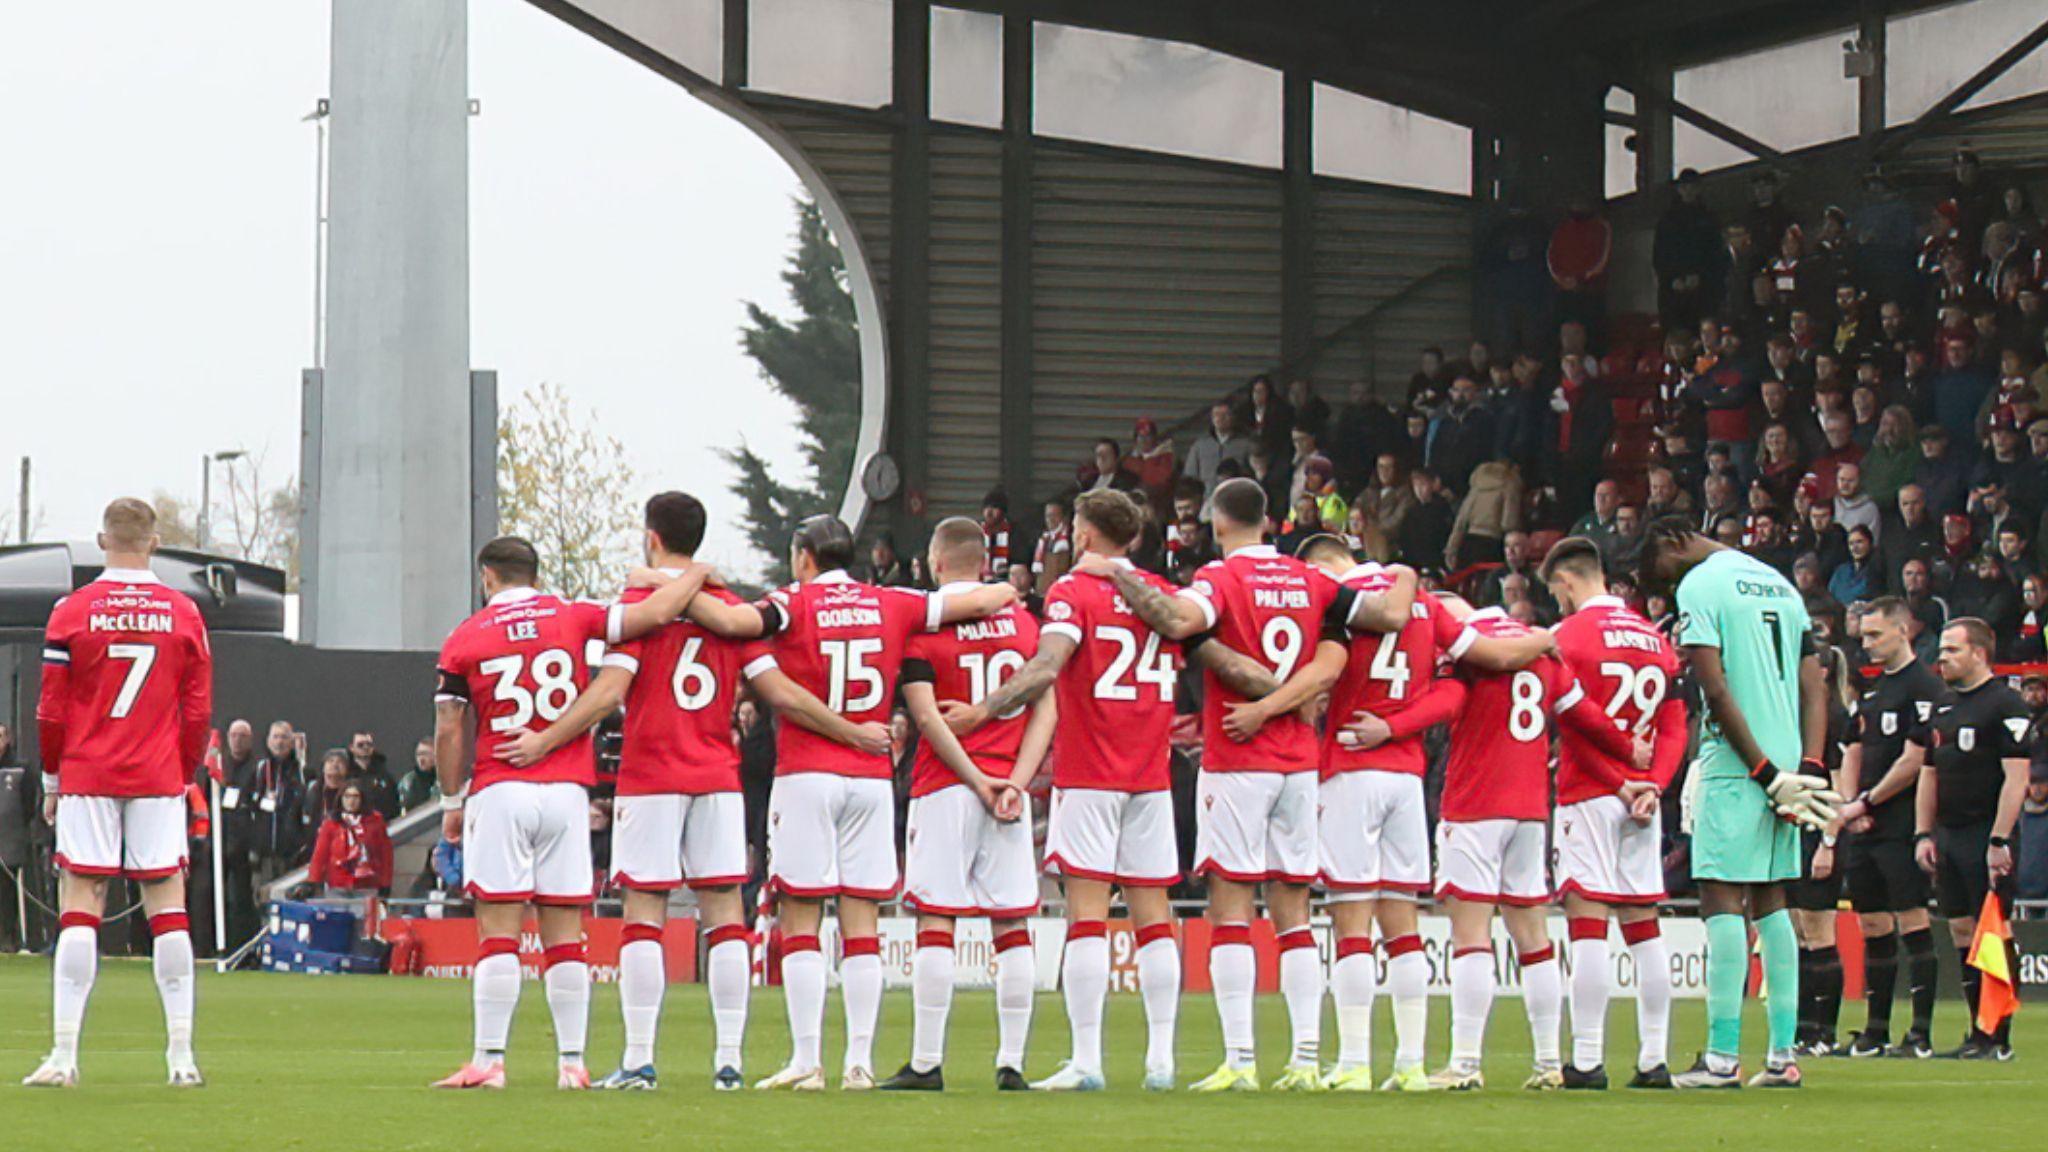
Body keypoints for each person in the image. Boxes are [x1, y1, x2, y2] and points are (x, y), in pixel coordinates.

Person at [509, 494, 890, 1092]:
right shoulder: (730, 608)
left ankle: (638, 1060)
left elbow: (610, 693)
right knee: (725, 917)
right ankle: (729, 1062)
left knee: (644, 915)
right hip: (718, 777)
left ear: (651, 537)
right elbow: (777, 690)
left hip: (652, 775)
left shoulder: (640, 607)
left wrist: (549, 739)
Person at [1079, 478, 1415, 1092]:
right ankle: (1306, 1060)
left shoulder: (1221, 579)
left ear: (1217, 520)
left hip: (1238, 757)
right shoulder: (1311, 580)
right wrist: (1405, 571)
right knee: (1294, 910)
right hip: (1300, 765)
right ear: (1268, 521)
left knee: (1231, 906)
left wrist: (1115, 572)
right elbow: (1390, 615)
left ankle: (1238, 1060)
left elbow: (1179, 619)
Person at [674, 513, 1019, 1091]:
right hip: (871, 778)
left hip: (809, 772)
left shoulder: (790, 603)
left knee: (803, 918)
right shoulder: (892, 602)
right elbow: (978, 604)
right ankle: (859, 1062)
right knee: (863, 922)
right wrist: (1007, 587)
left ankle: (808, 1059)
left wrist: (681, 582)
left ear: (804, 555)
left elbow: (732, 622)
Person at [1226, 536, 1553, 1091]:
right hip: (1406, 776)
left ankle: (1353, 1061)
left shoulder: (1336, 599)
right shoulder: (1422, 601)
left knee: (1352, 920)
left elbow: (1320, 676)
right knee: (1403, 925)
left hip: (1350, 766)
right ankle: (1410, 1065)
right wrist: (1401, 726)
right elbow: (1456, 693)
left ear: (1316, 565)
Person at [939, 491, 1210, 1092]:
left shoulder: (1072, 593)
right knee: (1153, 918)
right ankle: (1161, 1061)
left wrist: (982, 712)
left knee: (1087, 916)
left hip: (1090, 774)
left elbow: (1044, 669)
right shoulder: (1161, 595)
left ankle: (1087, 1061)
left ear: (1084, 536)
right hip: (1151, 774)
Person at [428, 534, 708, 1091]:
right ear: (535, 572)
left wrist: (451, 800)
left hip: (503, 786)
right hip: (567, 792)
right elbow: (657, 611)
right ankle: (573, 1064)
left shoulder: (465, 637)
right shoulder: (572, 615)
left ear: (488, 576)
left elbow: (448, 728)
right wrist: (695, 575)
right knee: (565, 933)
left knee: (498, 934)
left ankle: (489, 1061)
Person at [1638, 518, 1838, 1090]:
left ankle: (1722, 1058)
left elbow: (1715, 687)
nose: (1670, 585)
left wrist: (1760, 771)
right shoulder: (1780, 583)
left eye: (1664, 574)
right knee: (1773, 902)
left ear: (1674, 541)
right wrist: (1809, 769)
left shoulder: (1701, 586)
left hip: (1740, 763)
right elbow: (1813, 683)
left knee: (1721, 898)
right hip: (1791, 759)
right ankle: (1782, 1057)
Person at [25, 498, 213, 1089]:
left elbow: (50, 709)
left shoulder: (71, 611)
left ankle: (63, 1055)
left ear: (102, 540)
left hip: (88, 771)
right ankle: (181, 1058)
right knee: (169, 911)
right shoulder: (183, 612)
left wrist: (53, 778)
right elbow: (198, 710)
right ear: (154, 542)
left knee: (81, 904)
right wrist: (182, 775)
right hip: (157, 774)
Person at [1427, 603, 1641, 1093]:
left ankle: (1464, 1063)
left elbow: (1446, 704)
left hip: (1474, 802)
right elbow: (1587, 718)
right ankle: (1547, 1061)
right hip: (1529, 809)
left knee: (1471, 934)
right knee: (1534, 939)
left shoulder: (1469, 646)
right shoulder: (1542, 651)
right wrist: (1631, 754)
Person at [879, 518, 1056, 1093]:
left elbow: (927, 718)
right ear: (984, 563)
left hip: (946, 786)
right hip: (1009, 787)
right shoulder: (1025, 624)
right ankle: (1012, 1064)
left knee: (937, 921)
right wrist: (1015, 782)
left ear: (935, 562)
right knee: (1011, 924)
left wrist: (977, 781)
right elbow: (1046, 708)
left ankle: (927, 1063)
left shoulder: (923, 629)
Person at [1541, 538, 1689, 1089]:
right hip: (1643, 802)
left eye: (1554, 589)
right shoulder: (1654, 639)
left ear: (1567, 581)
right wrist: (1655, 784)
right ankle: (1654, 1060)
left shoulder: (1568, 638)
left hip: (1591, 793)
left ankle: (1586, 1060)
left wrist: (1620, 780)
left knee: (1587, 927)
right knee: (1644, 928)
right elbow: (1675, 725)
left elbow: (1573, 726)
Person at [1831, 599, 1948, 1057]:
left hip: (1900, 824)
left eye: (1875, 635)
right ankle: (1875, 1030)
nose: (1867, 644)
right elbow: (1852, 749)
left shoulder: (1924, 688)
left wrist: (1866, 800)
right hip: (1864, 827)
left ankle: (1919, 1033)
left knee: (1912, 919)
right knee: (1873, 923)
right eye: (1863, 637)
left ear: (1903, 631)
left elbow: (1914, 760)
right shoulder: (1874, 691)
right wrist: (1847, 806)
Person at [1907, 618, 2029, 1059]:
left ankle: (1998, 1037)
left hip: (1985, 834)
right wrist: (1924, 832)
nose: (1942, 658)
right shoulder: (1942, 706)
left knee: (1993, 932)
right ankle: (1977, 1030)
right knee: (1961, 930)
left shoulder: (2006, 705)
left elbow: (2016, 780)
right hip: (1949, 834)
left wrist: (1999, 840)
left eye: (1952, 650)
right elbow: (1928, 773)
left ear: (1979, 653)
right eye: (1941, 650)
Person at [305, 782, 392, 897]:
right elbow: (320, 855)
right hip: (338, 885)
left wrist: (385, 883)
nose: (351, 801)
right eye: (347, 796)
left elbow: (386, 855)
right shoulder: (331, 823)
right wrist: (313, 881)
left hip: (367, 885)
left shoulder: (376, 821)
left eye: (355, 796)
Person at [1183, 400, 1253, 505]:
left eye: (1225, 414)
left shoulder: (1245, 445)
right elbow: (1190, 477)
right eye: (1216, 415)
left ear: (1233, 417)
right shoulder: (1200, 446)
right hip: (1207, 502)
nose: (1220, 418)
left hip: (1236, 501)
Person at [396, 739, 440, 812]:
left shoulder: (445, 776)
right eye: (418, 755)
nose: (421, 759)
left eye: (425, 754)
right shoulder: (408, 782)